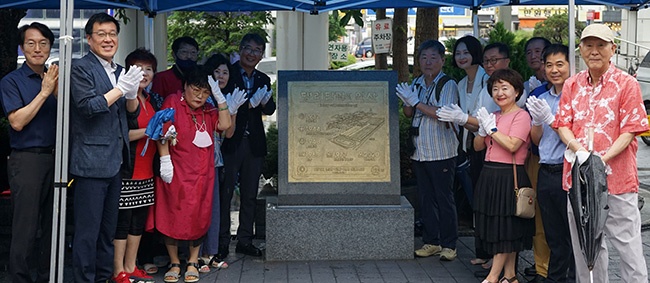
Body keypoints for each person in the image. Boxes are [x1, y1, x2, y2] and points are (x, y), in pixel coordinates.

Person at [555, 23, 649, 283]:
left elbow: (631, 130)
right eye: (588, 45)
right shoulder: (572, 84)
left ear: (613, 49)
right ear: (581, 49)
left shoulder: (627, 84)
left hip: (617, 180)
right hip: (578, 181)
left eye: (601, 45)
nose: (594, 51)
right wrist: (579, 151)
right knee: (586, 249)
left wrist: (598, 161)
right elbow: (563, 124)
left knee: (628, 247)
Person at [69, 12, 143, 283]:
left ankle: (102, 278)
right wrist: (119, 90)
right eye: (101, 34)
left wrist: (132, 94)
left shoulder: (121, 71)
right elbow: (88, 107)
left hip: (116, 162)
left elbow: (130, 115)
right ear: (89, 39)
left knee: (107, 231)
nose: (108, 39)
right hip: (90, 161)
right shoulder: (81, 68)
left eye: (112, 34)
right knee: (87, 233)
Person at [147, 67, 231, 283]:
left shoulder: (209, 108)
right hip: (175, 170)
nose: (200, 97)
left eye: (205, 92)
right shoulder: (172, 102)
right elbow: (161, 133)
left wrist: (219, 99)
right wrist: (165, 161)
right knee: (172, 215)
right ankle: (175, 262)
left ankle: (193, 261)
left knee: (199, 216)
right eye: (196, 90)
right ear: (185, 86)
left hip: (203, 172)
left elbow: (225, 125)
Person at [0, 22, 57, 283]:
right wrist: (45, 92)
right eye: (31, 43)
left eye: (43, 43)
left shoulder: (55, 77)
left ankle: (48, 275)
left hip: (57, 157)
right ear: (22, 47)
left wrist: (54, 88)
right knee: (26, 225)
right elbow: (17, 121)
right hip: (27, 159)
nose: (37, 48)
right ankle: (18, 278)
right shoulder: (11, 81)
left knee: (52, 226)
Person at [395, 39, 459, 261]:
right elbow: (408, 114)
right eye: (424, 57)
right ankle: (431, 241)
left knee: (444, 198)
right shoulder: (417, 83)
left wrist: (416, 102)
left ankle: (449, 244)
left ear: (442, 60)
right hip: (419, 150)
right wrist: (407, 101)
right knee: (425, 198)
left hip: (441, 151)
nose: (428, 62)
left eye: (433, 57)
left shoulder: (447, 84)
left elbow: (442, 113)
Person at [218, 33, 275, 260]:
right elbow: (221, 104)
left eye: (257, 50)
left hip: (254, 144)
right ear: (240, 50)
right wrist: (246, 107)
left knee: (250, 195)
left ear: (262, 54)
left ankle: (244, 240)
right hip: (231, 142)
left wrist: (263, 103)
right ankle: (222, 242)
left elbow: (269, 109)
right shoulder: (227, 73)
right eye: (248, 49)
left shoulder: (263, 78)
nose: (252, 54)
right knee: (226, 193)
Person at [474, 68, 534, 283]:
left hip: (510, 176)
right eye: (495, 88)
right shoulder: (493, 116)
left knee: (505, 230)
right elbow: (478, 147)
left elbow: (512, 145)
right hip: (490, 174)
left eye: (505, 88)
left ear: (517, 91)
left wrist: (493, 130)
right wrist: (483, 130)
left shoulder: (522, 115)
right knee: (504, 229)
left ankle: (492, 278)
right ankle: (509, 276)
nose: (499, 93)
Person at [438, 35, 491, 268]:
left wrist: (462, 120)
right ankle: (482, 251)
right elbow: (466, 121)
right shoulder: (460, 83)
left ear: (475, 54)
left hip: (488, 147)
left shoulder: (487, 81)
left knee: (486, 202)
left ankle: (491, 253)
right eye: (457, 53)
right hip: (468, 146)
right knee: (476, 201)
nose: (461, 57)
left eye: (465, 52)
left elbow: (483, 121)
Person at [526, 44, 575, 283]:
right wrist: (537, 120)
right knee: (553, 233)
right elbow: (536, 140)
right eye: (549, 65)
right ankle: (556, 278)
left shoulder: (577, 97)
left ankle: (573, 278)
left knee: (573, 234)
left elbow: (574, 137)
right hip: (545, 170)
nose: (554, 70)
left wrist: (551, 119)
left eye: (559, 64)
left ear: (570, 65)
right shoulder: (541, 98)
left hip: (569, 172)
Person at [111, 48, 161, 283]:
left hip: (146, 171)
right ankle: (117, 270)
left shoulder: (150, 100)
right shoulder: (125, 98)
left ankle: (131, 267)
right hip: (127, 171)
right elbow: (120, 134)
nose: (144, 73)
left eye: (149, 69)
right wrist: (149, 131)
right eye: (138, 68)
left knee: (137, 223)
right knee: (123, 223)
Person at [197, 53, 247, 272]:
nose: (221, 76)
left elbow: (228, 133)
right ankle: (196, 255)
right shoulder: (202, 96)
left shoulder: (227, 96)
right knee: (199, 207)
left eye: (225, 72)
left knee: (216, 207)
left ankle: (211, 251)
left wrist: (231, 110)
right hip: (198, 160)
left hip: (216, 160)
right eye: (216, 71)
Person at [522, 36, 552, 283]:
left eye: (539, 51)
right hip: (535, 157)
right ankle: (542, 266)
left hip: (560, 162)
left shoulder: (571, 87)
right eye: (529, 52)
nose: (534, 56)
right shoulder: (534, 89)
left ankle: (554, 265)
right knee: (538, 213)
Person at [479, 43, 528, 114]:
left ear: (506, 61)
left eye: (493, 60)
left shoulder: (515, 85)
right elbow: (477, 116)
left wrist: (465, 118)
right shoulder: (485, 89)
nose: (489, 65)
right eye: (486, 61)